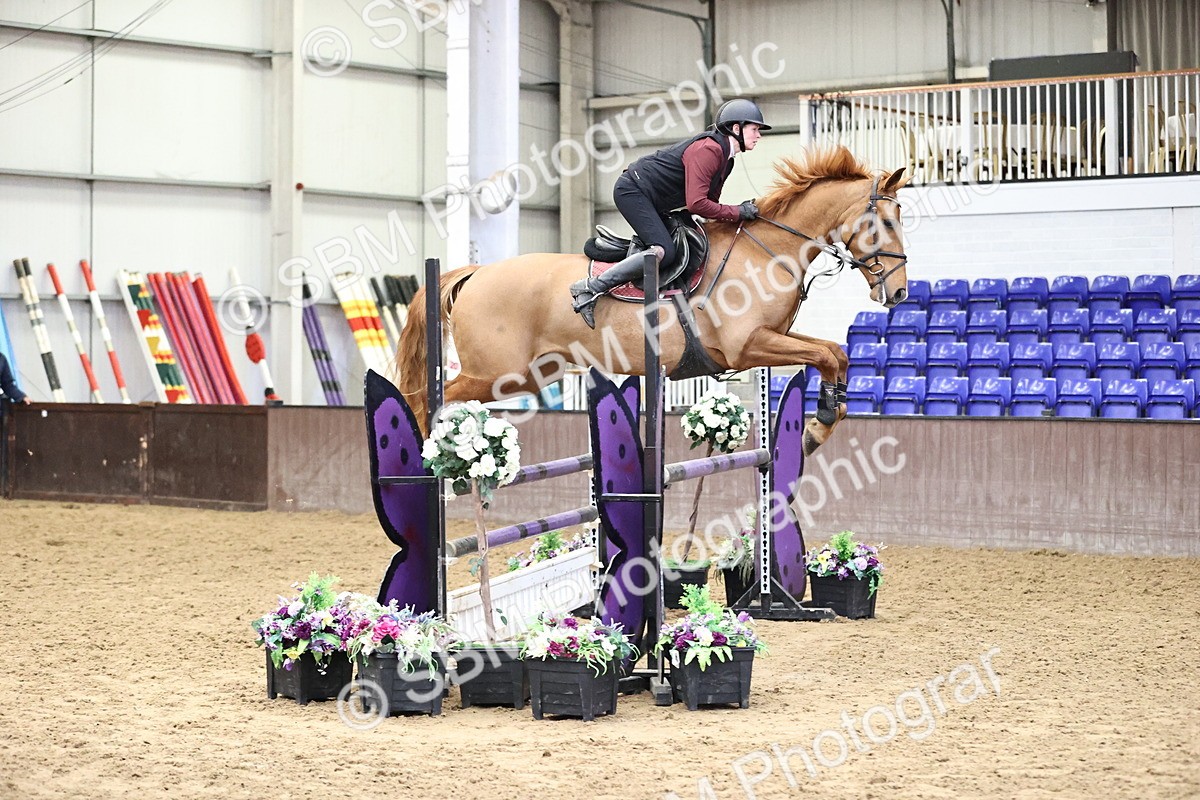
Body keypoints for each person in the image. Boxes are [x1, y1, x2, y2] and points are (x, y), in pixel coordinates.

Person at [570, 97, 771, 327]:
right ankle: (589, 287)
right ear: (736, 129)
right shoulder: (709, 150)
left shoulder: (727, 161)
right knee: (663, 250)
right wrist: (737, 211)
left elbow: (710, 203)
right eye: (755, 129)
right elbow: (697, 204)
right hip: (633, 190)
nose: (758, 135)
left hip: (654, 199)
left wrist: (737, 213)